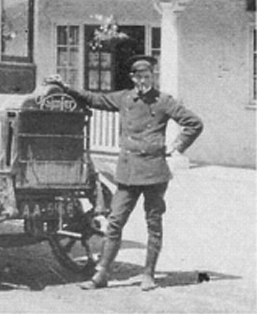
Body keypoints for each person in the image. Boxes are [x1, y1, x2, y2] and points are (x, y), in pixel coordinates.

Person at [46, 55, 203, 292]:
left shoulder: (164, 101)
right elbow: (94, 98)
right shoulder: (124, 98)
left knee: (153, 224)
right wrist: (65, 87)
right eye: (139, 77)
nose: (143, 81)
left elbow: (194, 123)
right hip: (128, 172)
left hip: (154, 173)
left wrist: (177, 146)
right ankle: (101, 274)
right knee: (115, 222)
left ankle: (148, 274)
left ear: (153, 77)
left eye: (147, 77)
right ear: (132, 78)